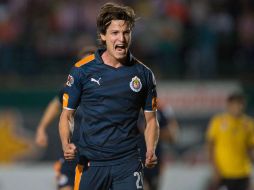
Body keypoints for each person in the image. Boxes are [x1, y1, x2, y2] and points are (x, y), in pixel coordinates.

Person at [59, 2, 160, 190]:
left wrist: (151, 148)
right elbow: (67, 115)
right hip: (91, 163)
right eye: (115, 33)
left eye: (126, 32)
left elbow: (151, 120)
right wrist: (66, 144)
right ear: (103, 36)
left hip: (127, 163)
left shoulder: (144, 75)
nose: (121, 38)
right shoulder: (82, 70)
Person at [35, 47, 96, 190]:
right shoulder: (70, 88)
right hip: (71, 151)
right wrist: (42, 128)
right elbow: (55, 105)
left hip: (96, 153)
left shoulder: (107, 89)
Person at [206, 92, 254, 190]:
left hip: (243, 171)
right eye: (234, 104)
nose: (237, 107)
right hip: (223, 172)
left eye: (240, 104)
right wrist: (215, 168)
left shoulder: (249, 124)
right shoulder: (218, 122)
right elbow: (210, 146)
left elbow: (251, 148)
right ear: (228, 105)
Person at [138, 106, 179, 190]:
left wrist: (151, 130)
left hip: (154, 163)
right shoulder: (130, 112)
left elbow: (172, 137)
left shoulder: (158, 112)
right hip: (135, 163)